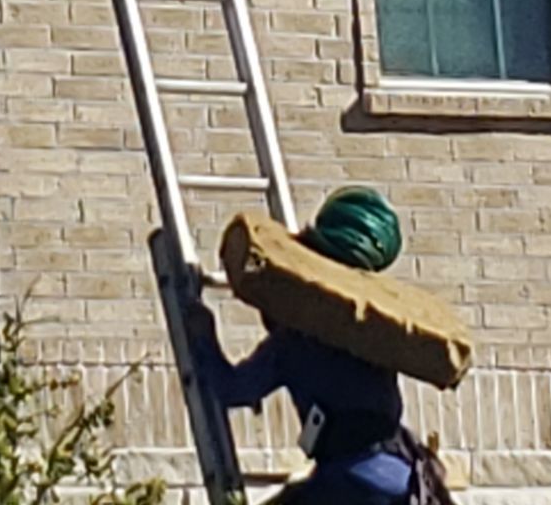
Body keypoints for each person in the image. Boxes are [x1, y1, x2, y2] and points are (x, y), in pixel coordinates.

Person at [187, 187, 450, 505]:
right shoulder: (375, 329)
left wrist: (202, 334)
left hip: (351, 482)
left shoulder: (295, 340)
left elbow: (233, 389)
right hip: (402, 476)